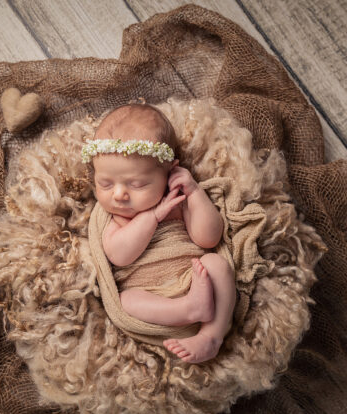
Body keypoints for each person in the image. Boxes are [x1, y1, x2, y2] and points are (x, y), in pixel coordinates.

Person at [82, 103, 236, 364]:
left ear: (169, 172)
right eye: (105, 184)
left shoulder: (178, 199)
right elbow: (119, 255)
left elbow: (209, 238)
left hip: (193, 278)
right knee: (126, 301)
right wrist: (151, 217)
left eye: (137, 184)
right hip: (151, 296)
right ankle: (187, 309)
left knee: (217, 264)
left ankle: (212, 335)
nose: (118, 194)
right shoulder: (112, 216)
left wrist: (194, 193)